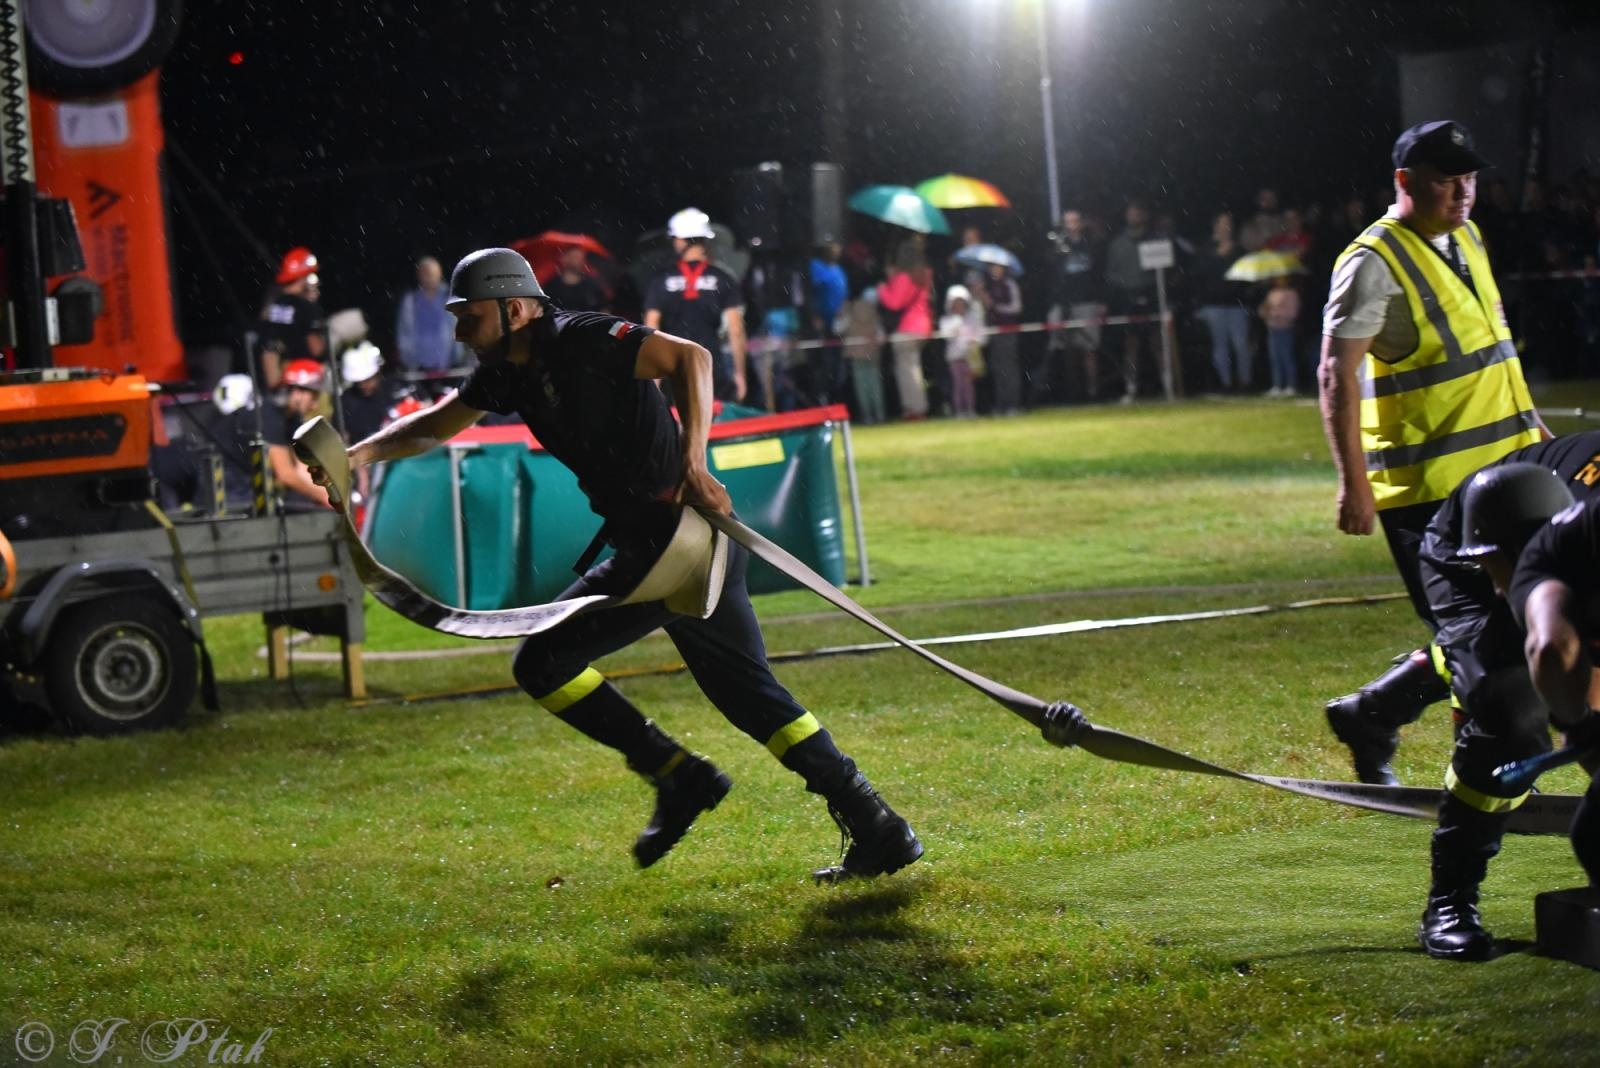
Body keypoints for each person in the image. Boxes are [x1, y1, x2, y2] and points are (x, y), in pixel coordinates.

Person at [327, 247, 922, 880]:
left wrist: (695, 464)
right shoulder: (507, 372)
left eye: (468, 317)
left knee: (544, 660)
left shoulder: (582, 337)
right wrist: (354, 457)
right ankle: (876, 825)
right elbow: (440, 424)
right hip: (657, 548)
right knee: (754, 701)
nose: (459, 333)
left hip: (677, 542)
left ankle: (679, 774)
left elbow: (691, 357)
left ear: (516, 308)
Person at [1318, 119, 1548, 785]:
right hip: (1430, 493)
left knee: (1512, 622)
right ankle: (1479, 768)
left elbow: (1493, 349)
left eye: (1469, 178)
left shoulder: (1466, 237)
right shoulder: (1371, 263)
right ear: (1404, 182)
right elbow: (1336, 374)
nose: (1462, 193)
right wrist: (1353, 485)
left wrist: (1533, 427)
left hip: (1507, 476)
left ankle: (1373, 713)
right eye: (1446, 181)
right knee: (1485, 643)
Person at [1412, 451, 1598, 959]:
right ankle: (1450, 897)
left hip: (1545, 526)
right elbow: (1552, 650)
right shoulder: (1551, 552)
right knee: (1511, 708)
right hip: (1475, 539)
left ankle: (1389, 694)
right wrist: (1577, 723)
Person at [643, 207, 747, 403]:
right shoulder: (723, 278)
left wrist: (654, 379)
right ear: (704, 239)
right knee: (715, 428)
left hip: (673, 370)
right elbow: (736, 329)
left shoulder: (660, 280)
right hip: (711, 367)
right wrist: (740, 374)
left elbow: (651, 328)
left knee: (678, 430)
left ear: (681, 241)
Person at [1103, 200, 1163, 403]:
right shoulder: (1118, 243)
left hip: (1152, 296)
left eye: (1138, 212)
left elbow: (1166, 270)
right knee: (1131, 345)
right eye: (1131, 212)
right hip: (1127, 298)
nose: (1134, 216)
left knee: (1158, 342)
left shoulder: (1156, 240)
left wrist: (1152, 284)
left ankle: (1168, 384)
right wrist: (1125, 285)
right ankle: (1131, 387)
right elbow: (1111, 274)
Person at [1047, 208, 1106, 401]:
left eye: (1074, 221)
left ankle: (1093, 391)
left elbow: (1099, 275)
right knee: (1063, 349)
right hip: (1064, 303)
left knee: (1089, 349)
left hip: (1087, 302)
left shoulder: (1092, 244)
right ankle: (1070, 391)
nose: (1071, 226)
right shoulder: (1057, 246)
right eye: (1067, 222)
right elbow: (1053, 276)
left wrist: (1101, 300)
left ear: (1080, 223)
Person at [1191, 211, 1251, 392]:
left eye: (1230, 223)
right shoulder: (1205, 249)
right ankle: (1225, 383)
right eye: (1224, 223)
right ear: (1215, 225)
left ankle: (1245, 382)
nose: (1228, 227)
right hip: (1213, 304)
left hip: (1236, 303)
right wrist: (1217, 256)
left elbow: (1244, 277)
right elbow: (1199, 274)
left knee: (1241, 344)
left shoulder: (1240, 250)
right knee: (1220, 345)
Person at [876, 239, 933, 420]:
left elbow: (894, 303)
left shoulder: (904, 276)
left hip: (907, 328)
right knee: (914, 368)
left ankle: (914, 409)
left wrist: (883, 288)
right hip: (923, 326)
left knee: (906, 371)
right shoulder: (923, 275)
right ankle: (918, 407)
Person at [258, 246, 326, 390]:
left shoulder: (271, 306)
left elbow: (268, 348)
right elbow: (317, 350)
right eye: (312, 276)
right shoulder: (306, 307)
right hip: (306, 381)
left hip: (280, 384)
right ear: (303, 279)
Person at [395, 255, 462, 374]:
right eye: (425, 274)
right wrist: (408, 360)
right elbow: (404, 331)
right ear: (419, 275)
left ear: (439, 274)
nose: (429, 278)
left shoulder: (450, 296)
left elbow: (459, 325)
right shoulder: (411, 300)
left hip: (449, 366)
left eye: (432, 274)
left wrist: (458, 357)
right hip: (419, 368)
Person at [980, 260, 1023, 415]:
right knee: (997, 368)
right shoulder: (989, 286)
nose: (994, 269)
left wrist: (995, 305)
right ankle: (1001, 404)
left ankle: (1013, 404)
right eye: (991, 267)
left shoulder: (1009, 284)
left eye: (997, 266)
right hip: (994, 331)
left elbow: (1016, 307)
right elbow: (988, 310)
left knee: (1009, 368)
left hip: (1008, 331)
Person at [841, 286, 886, 425]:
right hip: (872, 353)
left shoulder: (850, 312)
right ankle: (880, 415)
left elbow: (837, 327)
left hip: (856, 354)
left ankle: (867, 416)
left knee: (862, 387)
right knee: (875, 385)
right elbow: (881, 337)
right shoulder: (873, 314)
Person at [939, 284, 983, 418]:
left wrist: (975, 341)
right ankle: (959, 411)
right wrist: (956, 324)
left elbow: (979, 335)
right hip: (955, 358)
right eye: (956, 303)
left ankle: (970, 409)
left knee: (969, 386)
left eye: (961, 303)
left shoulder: (972, 319)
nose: (959, 306)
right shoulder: (946, 320)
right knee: (958, 385)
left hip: (969, 358)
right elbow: (946, 336)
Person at [1258, 273, 1301, 397]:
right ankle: (1277, 385)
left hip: (1285, 328)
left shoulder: (1291, 294)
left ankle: (1291, 385)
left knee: (1286, 356)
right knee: (1275, 358)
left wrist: (1277, 315)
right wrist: (1265, 309)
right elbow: (1263, 311)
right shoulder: (1272, 293)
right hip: (1272, 328)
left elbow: (1292, 312)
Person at [542, 245, 609, 312]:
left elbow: (604, 310)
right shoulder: (551, 286)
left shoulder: (592, 285)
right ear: (563, 259)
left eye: (581, 257)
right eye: (575, 257)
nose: (579, 261)